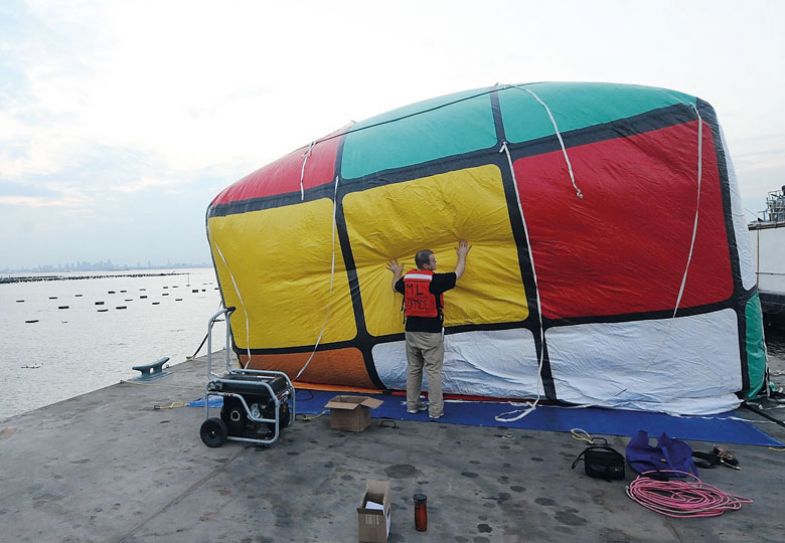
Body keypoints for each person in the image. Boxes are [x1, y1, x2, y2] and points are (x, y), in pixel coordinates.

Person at [387, 241, 470, 419]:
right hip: (430, 333)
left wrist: (396, 273)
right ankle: (435, 411)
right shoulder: (435, 281)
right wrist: (462, 255)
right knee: (433, 371)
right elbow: (457, 274)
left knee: (414, 368)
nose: (436, 263)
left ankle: (412, 406)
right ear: (426, 265)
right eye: (434, 260)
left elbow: (395, 287)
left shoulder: (407, 279)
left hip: (411, 332)